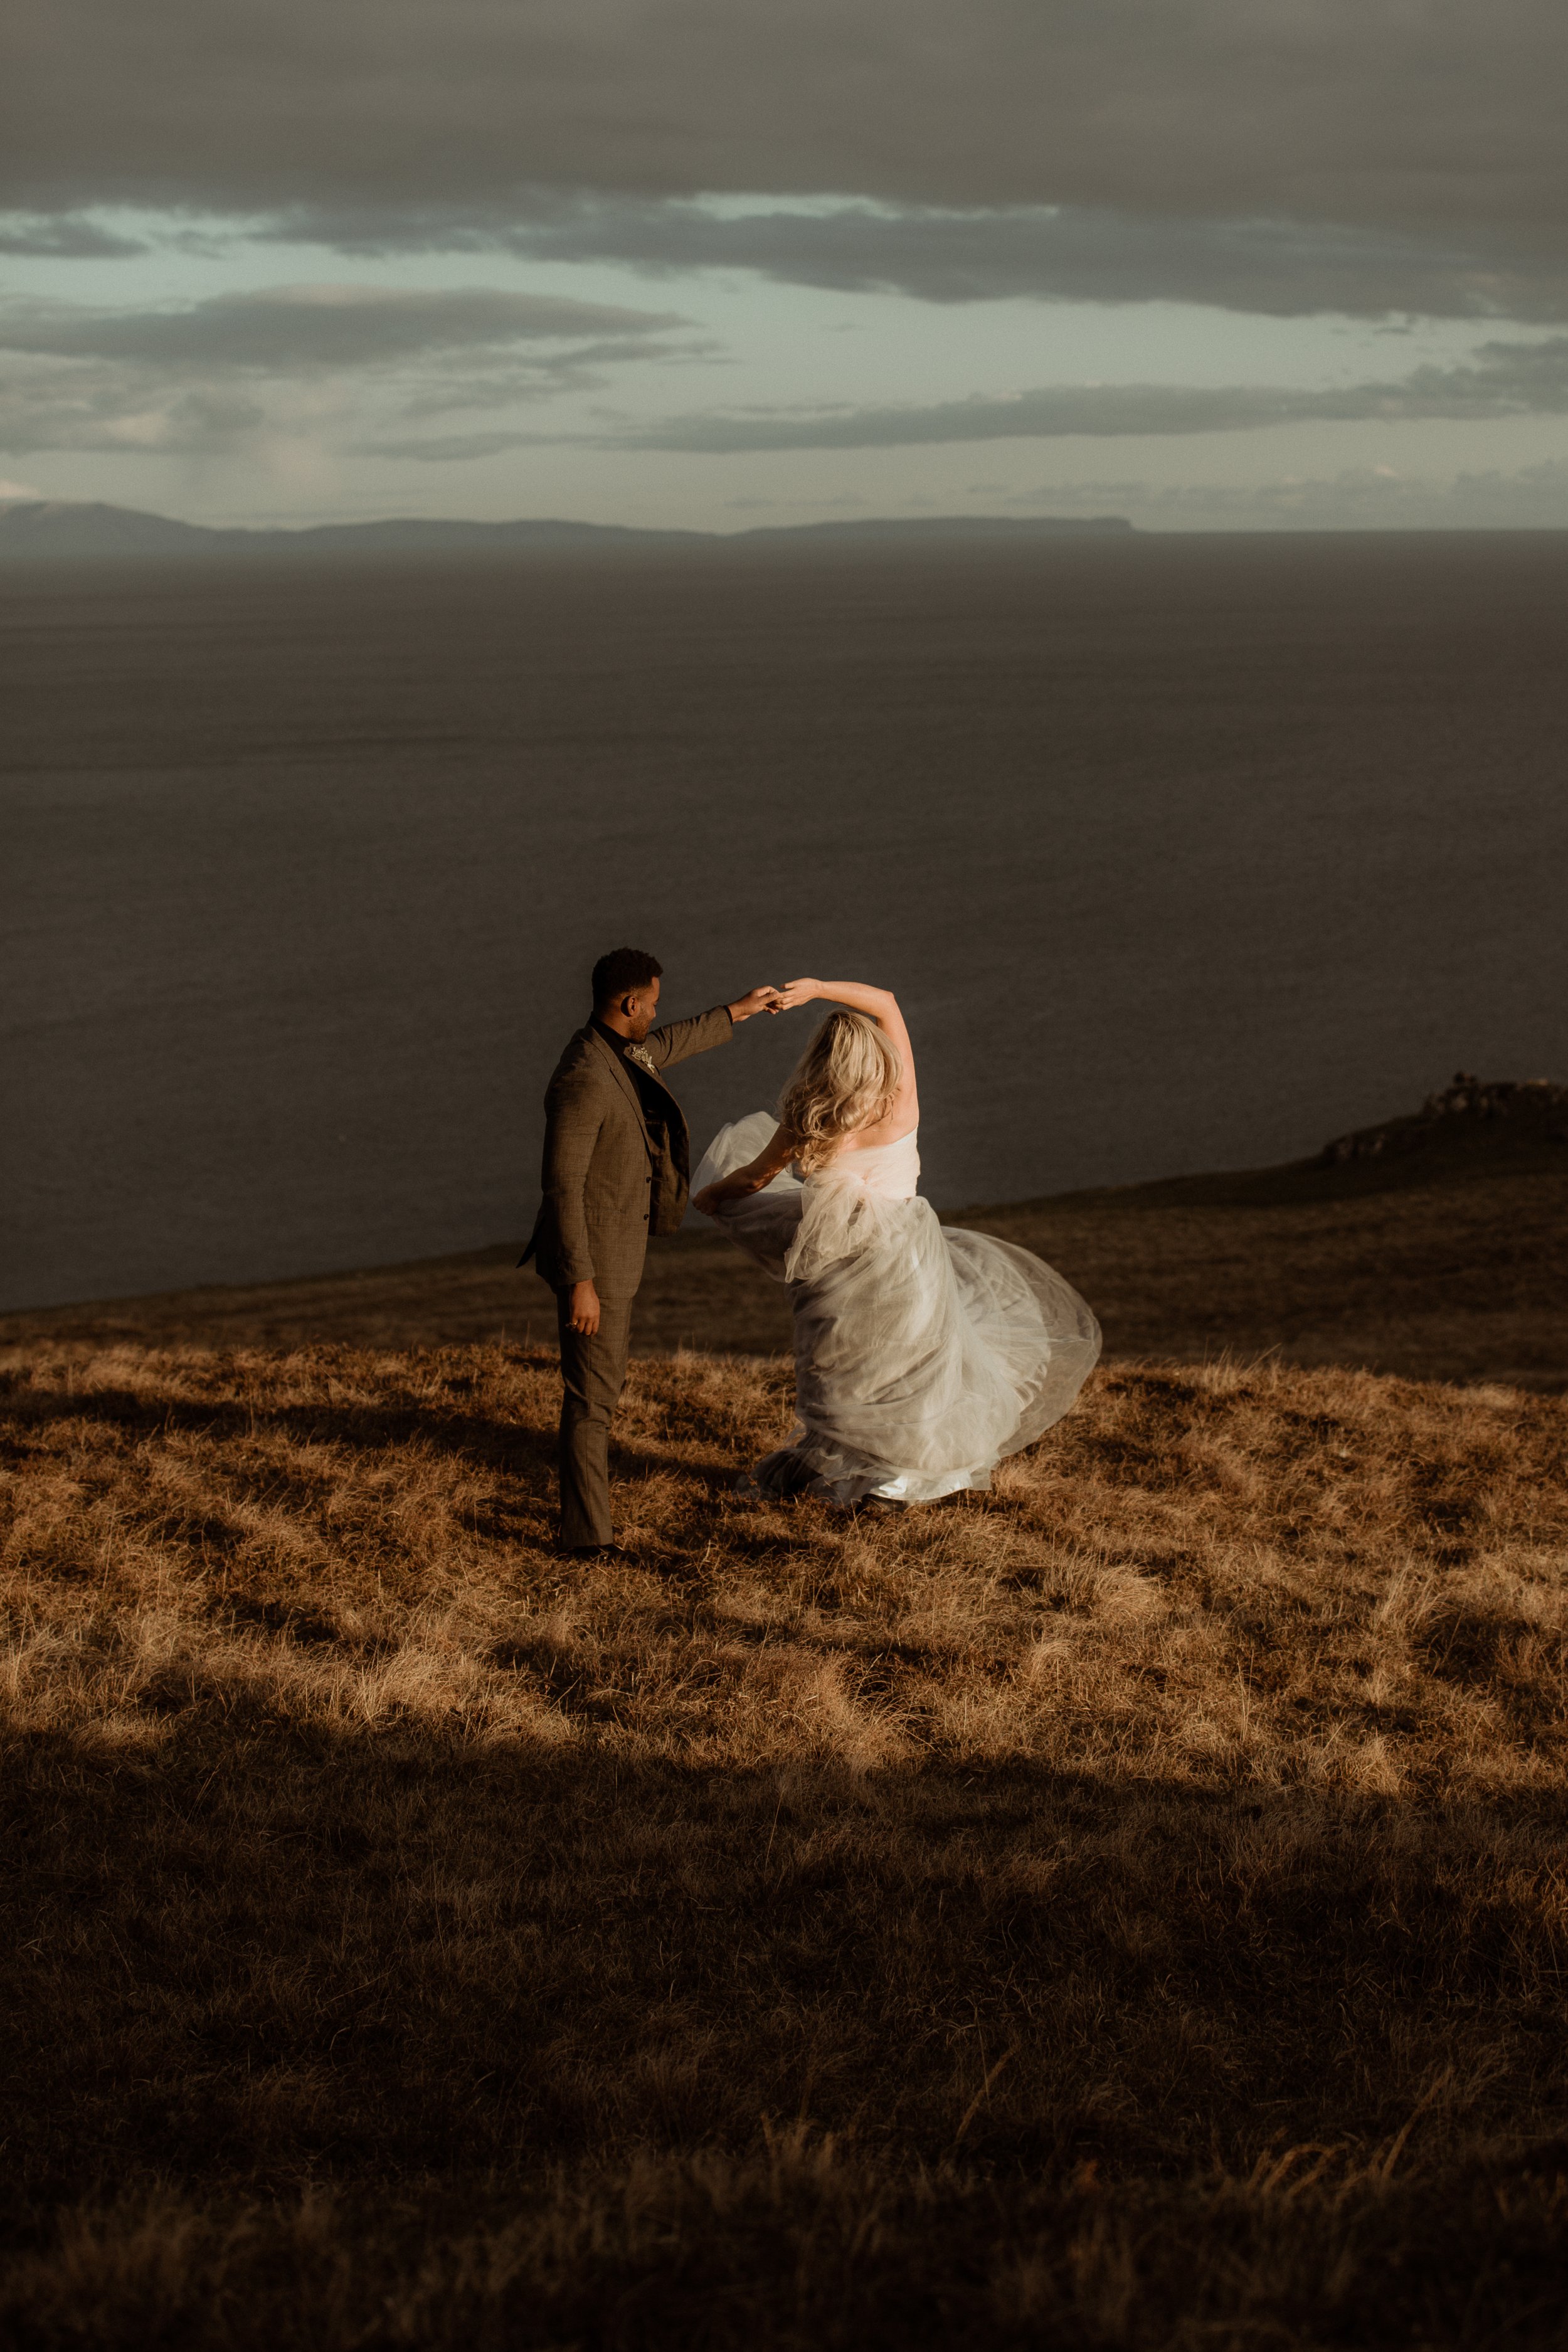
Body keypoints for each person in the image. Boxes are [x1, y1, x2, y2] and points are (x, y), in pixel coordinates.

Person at [691, 978, 1100, 1505]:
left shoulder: (809, 1118)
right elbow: (886, 1001)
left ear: (822, 1061)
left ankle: (847, 1468)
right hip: (906, 1255)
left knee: (846, 1367)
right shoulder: (900, 1099)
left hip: (834, 1260)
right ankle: (899, 1478)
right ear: (876, 1059)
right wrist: (816, 987)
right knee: (912, 1363)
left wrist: (712, 1195)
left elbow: (752, 1180)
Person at [521, 948, 781, 1554]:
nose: (656, 1014)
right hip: (595, 1264)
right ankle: (588, 1541)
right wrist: (579, 1281)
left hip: (614, 1256)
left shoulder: (615, 1048)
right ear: (629, 1003)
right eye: (653, 1004)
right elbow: (560, 1183)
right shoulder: (583, 1078)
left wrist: (738, 1011)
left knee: (599, 1393)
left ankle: (587, 1526)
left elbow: (664, 1046)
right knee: (591, 1400)